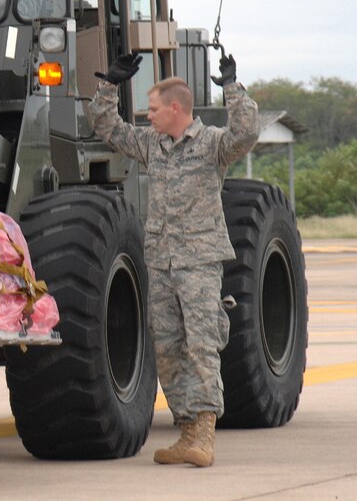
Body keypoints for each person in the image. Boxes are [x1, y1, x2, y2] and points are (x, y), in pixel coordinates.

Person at [86, 51, 260, 468]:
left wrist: (233, 88)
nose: (148, 117)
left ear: (176, 109)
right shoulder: (152, 144)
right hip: (161, 262)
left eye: (153, 110)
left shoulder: (212, 144)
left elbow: (248, 132)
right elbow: (106, 127)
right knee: (167, 348)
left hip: (199, 261)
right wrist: (109, 84)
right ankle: (185, 430)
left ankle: (204, 432)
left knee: (202, 345)